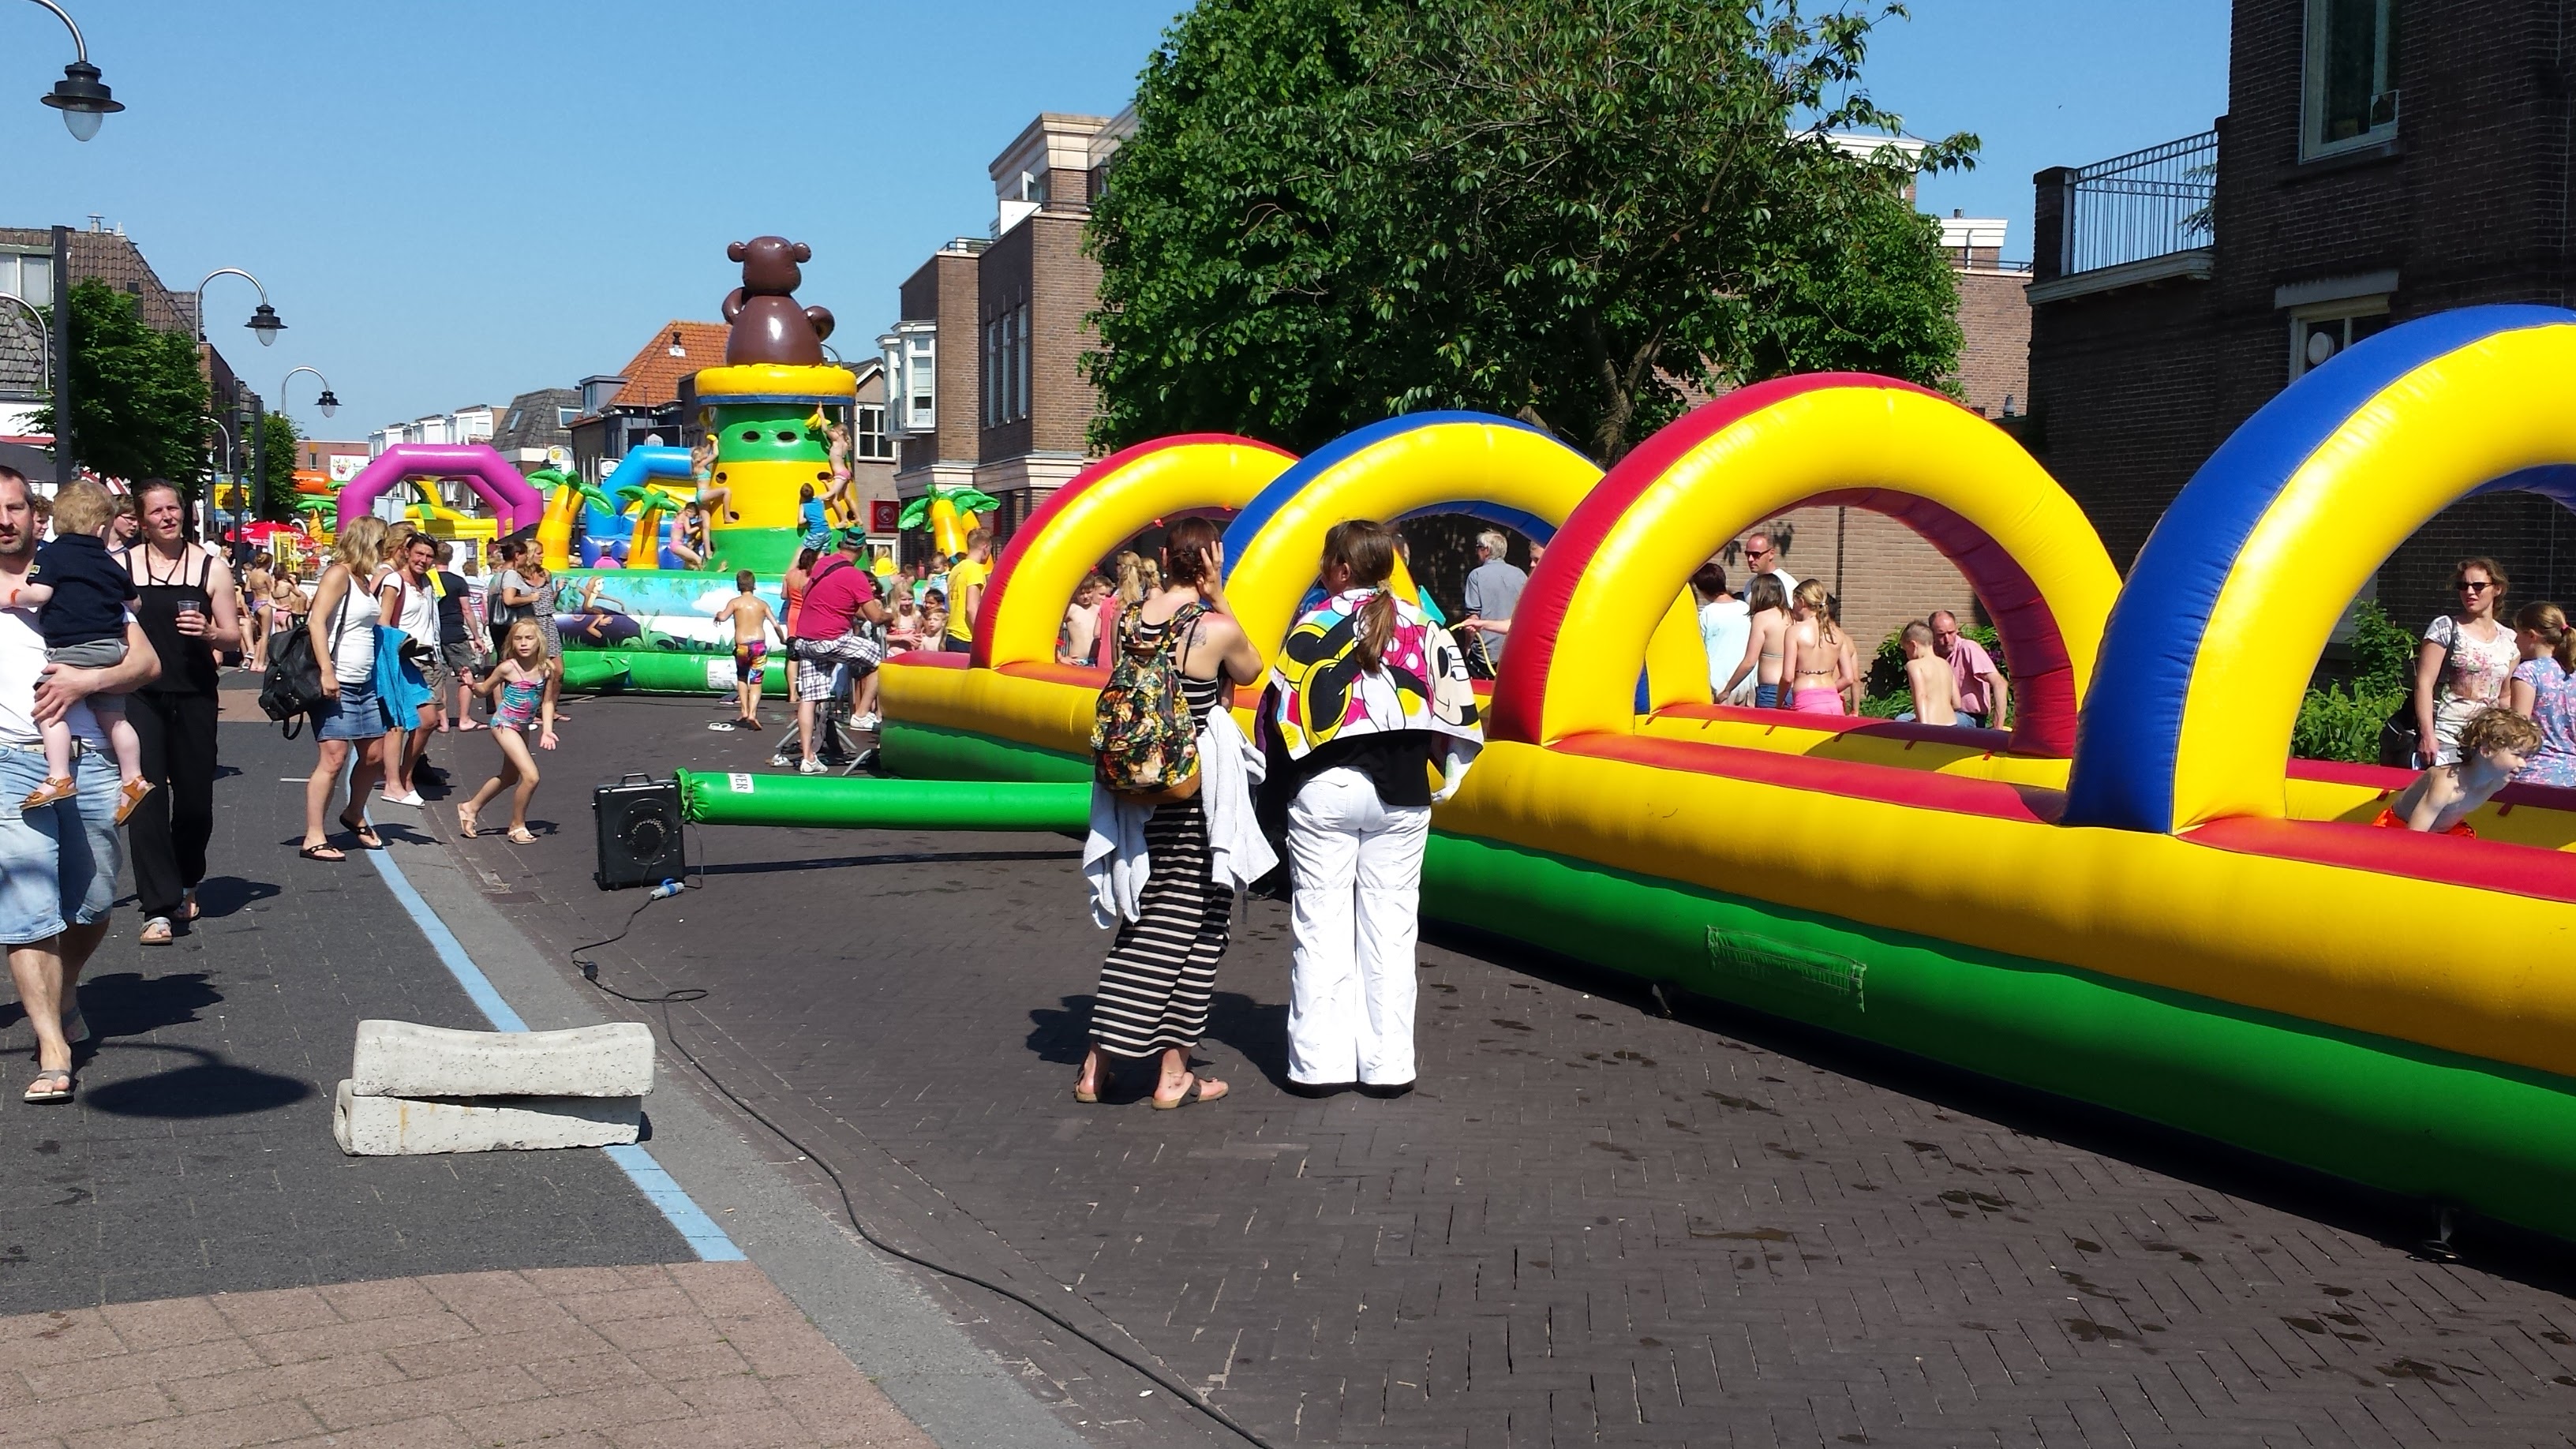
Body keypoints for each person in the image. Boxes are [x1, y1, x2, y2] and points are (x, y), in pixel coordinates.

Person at [1260, 519, 1482, 1099]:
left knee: (1320, 925)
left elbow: (1277, 719)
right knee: (1391, 929)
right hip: (1402, 795)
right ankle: (1388, 1066)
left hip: (1325, 789)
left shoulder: (1313, 624)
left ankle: (1318, 1066)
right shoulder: (1423, 624)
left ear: (1337, 568)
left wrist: (1272, 803)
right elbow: (1458, 714)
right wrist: (1447, 773)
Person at [1075, 516, 1267, 1110]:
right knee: (1189, 929)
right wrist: (1219, 594)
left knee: (1152, 918)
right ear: (1211, 558)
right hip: (1191, 798)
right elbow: (1253, 669)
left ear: (1164, 556)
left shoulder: (1130, 617)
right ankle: (1143, 1071)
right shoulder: (1214, 628)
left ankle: (1128, 1069)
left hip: (1136, 794)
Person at [0, 467, 160, 1104]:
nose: (4, 519)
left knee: (93, 900)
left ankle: (64, 992)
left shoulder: (76, 567)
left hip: (88, 754)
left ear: (35, 513)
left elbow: (144, 660)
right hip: (9, 756)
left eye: (14, 507)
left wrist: (83, 684)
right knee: (27, 902)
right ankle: (52, 1045)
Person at [122, 481, 242, 943]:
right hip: (141, 694)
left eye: (174, 508)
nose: (168, 517)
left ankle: (188, 877)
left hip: (194, 693)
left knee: (194, 801)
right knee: (146, 796)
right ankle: (157, 907)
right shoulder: (123, 566)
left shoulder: (210, 567)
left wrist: (210, 631)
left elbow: (234, 637)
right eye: (157, 511)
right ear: (142, 519)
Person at [2, 483, 148, 824]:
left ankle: (59, 775)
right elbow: (135, 602)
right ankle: (134, 777)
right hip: (112, 646)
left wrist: (11, 598)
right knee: (115, 717)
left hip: (74, 649)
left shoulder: (51, 556)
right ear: (101, 528)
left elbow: (38, 595)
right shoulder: (110, 562)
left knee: (48, 705)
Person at [298, 517, 391, 859]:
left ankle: (353, 814)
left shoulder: (364, 580)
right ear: (368, 542)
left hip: (364, 681)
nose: (385, 551)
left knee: (375, 755)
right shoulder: (339, 574)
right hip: (338, 679)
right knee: (334, 758)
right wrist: (327, 670)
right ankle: (314, 836)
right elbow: (316, 620)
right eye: (382, 544)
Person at [787, 529, 889, 773]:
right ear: (862, 550)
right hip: (829, 638)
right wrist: (889, 615)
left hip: (805, 639)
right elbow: (874, 617)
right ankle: (862, 713)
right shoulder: (855, 576)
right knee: (879, 658)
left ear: (840, 545)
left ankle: (808, 758)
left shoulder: (823, 565)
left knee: (809, 698)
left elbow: (813, 594)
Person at [455, 618, 560, 843]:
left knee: (509, 777)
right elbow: (483, 691)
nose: (524, 643)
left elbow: (548, 703)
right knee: (531, 777)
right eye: (518, 638)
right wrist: (471, 684)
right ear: (511, 643)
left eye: (529, 638)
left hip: (523, 727)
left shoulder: (546, 670)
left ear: (539, 642)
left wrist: (547, 730)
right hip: (504, 724)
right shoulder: (507, 668)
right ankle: (517, 826)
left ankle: (470, 807)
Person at [2413, 557, 2518, 767]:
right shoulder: (2445, 628)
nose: (2470, 592)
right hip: (2446, 738)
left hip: (2488, 744)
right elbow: (2424, 684)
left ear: (2497, 589)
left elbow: (2504, 696)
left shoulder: (2510, 640)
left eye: (2478, 586)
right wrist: (2428, 735)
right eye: (2463, 586)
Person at [2376, 706, 2539, 835]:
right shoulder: (2446, 785)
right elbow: (2413, 837)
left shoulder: (2499, 781)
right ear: (2486, 751)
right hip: (2399, 831)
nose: (2523, 764)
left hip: (2445, 832)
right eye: (2517, 755)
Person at [2508, 601, 2576, 788]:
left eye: (2518, 634)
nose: (2515, 641)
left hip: (2535, 774)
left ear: (2531, 636)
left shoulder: (2528, 673)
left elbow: (2518, 731)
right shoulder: (2572, 672)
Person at [713, 570, 779, 732]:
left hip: (742, 646)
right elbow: (775, 624)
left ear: (738, 586)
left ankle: (743, 709)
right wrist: (783, 639)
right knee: (756, 681)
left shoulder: (735, 602)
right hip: (758, 646)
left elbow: (723, 617)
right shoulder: (762, 604)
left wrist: (718, 615)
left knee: (742, 677)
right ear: (754, 585)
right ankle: (752, 713)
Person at [1456, 529, 1527, 675]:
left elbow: (1473, 617)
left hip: (1485, 655)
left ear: (1486, 550)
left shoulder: (1476, 576)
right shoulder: (1520, 575)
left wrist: (1467, 647)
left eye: (1478, 548)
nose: (1476, 552)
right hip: (1513, 651)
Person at [1718, 575, 1793, 708]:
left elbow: (1749, 662)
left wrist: (1727, 690)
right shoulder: (1793, 617)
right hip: (1793, 690)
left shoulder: (1762, 618)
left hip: (1770, 691)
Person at [1930, 611, 2009, 731]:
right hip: (1942, 714)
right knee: (1903, 719)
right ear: (1932, 635)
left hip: (1970, 718)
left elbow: (2000, 683)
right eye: (1941, 635)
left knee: (1937, 722)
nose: (1947, 639)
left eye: (1951, 633)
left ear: (1956, 630)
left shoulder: (1968, 648)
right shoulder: (1931, 655)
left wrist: (1997, 727)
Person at [1786, 579, 1848, 715]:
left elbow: (1787, 677)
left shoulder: (1794, 631)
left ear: (1802, 601)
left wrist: (1779, 704)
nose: (1793, 607)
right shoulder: (1837, 634)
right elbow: (1848, 677)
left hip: (1806, 702)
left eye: (1794, 602)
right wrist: (1826, 694)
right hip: (1834, 702)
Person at [1691, 563, 1750, 704]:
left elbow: (1699, 647)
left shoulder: (1708, 613)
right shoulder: (1745, 608)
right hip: (1744, 681)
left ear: (1702, 589)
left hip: (1716, 682)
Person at [500, 547, 560, 661]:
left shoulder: (545, 574)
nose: (542, 556)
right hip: (531, 621)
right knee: (535, 664)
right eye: (539, 553)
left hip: (548, 622)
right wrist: (531, 598)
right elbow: (510, 599)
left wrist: (558, 591)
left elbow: (549, 600)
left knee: (557, 669)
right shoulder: (518, 576)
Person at [944, 528, 994, 653]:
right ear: (985, 547)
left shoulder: (956, 570)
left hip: (952, 634)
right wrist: (984, 636)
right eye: (990, 550)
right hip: (967, 637)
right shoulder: (975, 569)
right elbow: (971, 608)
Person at [1900, 620, 1960, 725]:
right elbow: (1957, 703)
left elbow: (1921, 696)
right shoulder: (1945, 664)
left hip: (1930, 724)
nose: (1906, 655)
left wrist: (1923, 725)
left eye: (1906, 650)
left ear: (1913, 645)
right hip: (1952, 723)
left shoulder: (1914, 665)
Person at [1061, 574, 1110, 666]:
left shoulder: (1099, 609)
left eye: (1089, 592)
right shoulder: (1071, 609)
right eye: (1081, 593)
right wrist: (1060, 657)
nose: (1085, 596)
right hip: (1077, 661)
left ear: (1094, 590)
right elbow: (1050, 631)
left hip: (1096, 660)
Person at [1740, 531, 1796, 601]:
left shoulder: (1787, 584)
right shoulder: (1750, 585)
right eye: (1748, 554)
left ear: (1771, 554)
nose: (1750, 559)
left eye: (1756, 554)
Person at [693, 434, 735, 522]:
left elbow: (706, 452)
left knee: (706, 524)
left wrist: (709, 442)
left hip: (701, 495)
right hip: (704, 494)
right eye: (703, 454)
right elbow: (715, 454)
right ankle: (727, 516)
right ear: (700, 457)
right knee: (726, 490)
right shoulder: (701, 465)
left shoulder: (697, 466)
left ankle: (705, 536)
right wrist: (715, 443)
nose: (706, 454)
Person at [798, 482, 829, 550]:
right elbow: (832, 492)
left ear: (802, 496)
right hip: (827, 531)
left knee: (803, 551)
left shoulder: (803, 505)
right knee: (823, 553)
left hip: (816, 533)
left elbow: (800, 521)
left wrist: (807, 518)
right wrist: (826, 482)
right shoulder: (819, 499)